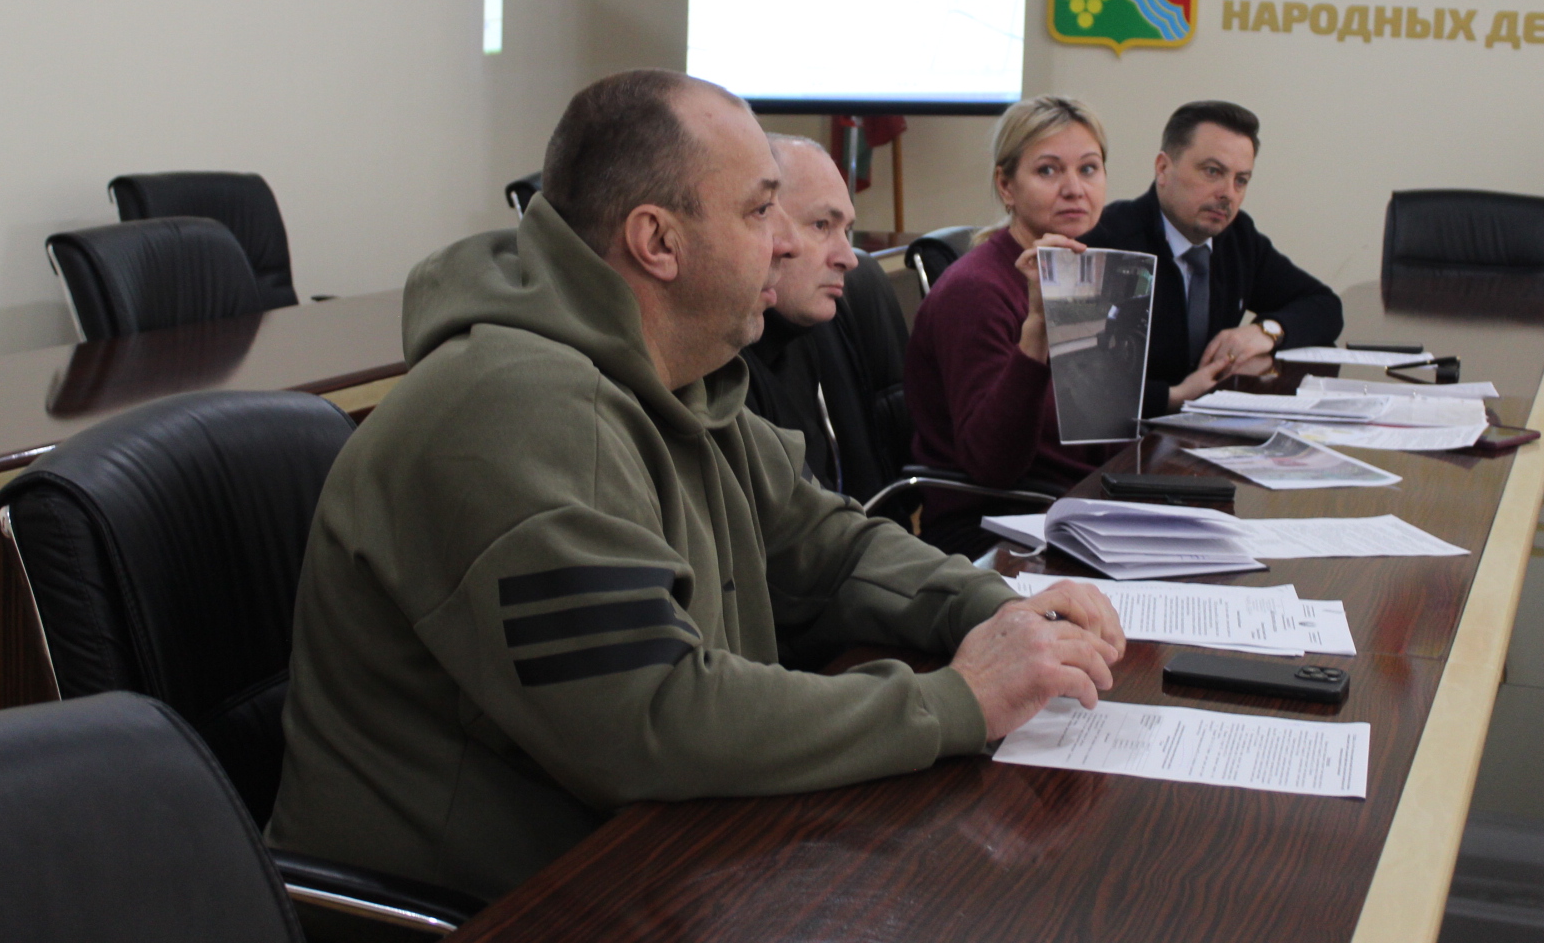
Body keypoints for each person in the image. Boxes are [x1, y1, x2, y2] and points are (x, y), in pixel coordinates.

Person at [268, 70, 1123, 903]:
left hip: (650, 852)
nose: (784, 242)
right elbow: (651, 716)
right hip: (503, 899)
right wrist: (957, 700)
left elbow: (829, 546)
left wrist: (992, 610)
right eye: (758, 211)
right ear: (658, 242)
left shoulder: (673, 376)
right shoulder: (518, 411)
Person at [905, 97, 1223, 555]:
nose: (1074, 189)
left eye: (1088, 169)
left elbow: (1101, 433)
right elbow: (992, 466)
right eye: (1048, 171)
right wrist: (1036, 330)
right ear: (1006, 186)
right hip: (999, 526)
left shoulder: (1081, 272)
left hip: (1082, 504)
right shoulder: (975, 290)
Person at [1084, 101, 1342, 417]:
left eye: (1241, 180)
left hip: (1209, 425)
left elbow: (1325, 306)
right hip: (1131, 431)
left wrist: (1266, 333)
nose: (1228, 193)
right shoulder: (1108, 239)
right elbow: (1081, 381)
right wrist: (1171, 397)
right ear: (1163, 169)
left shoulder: (1237, 237)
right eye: (1212, 172)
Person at [739, 134, 868, 495]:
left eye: (847, 230)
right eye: (821, 225)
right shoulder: (717, 360)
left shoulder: (803, 334)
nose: (849, 258)